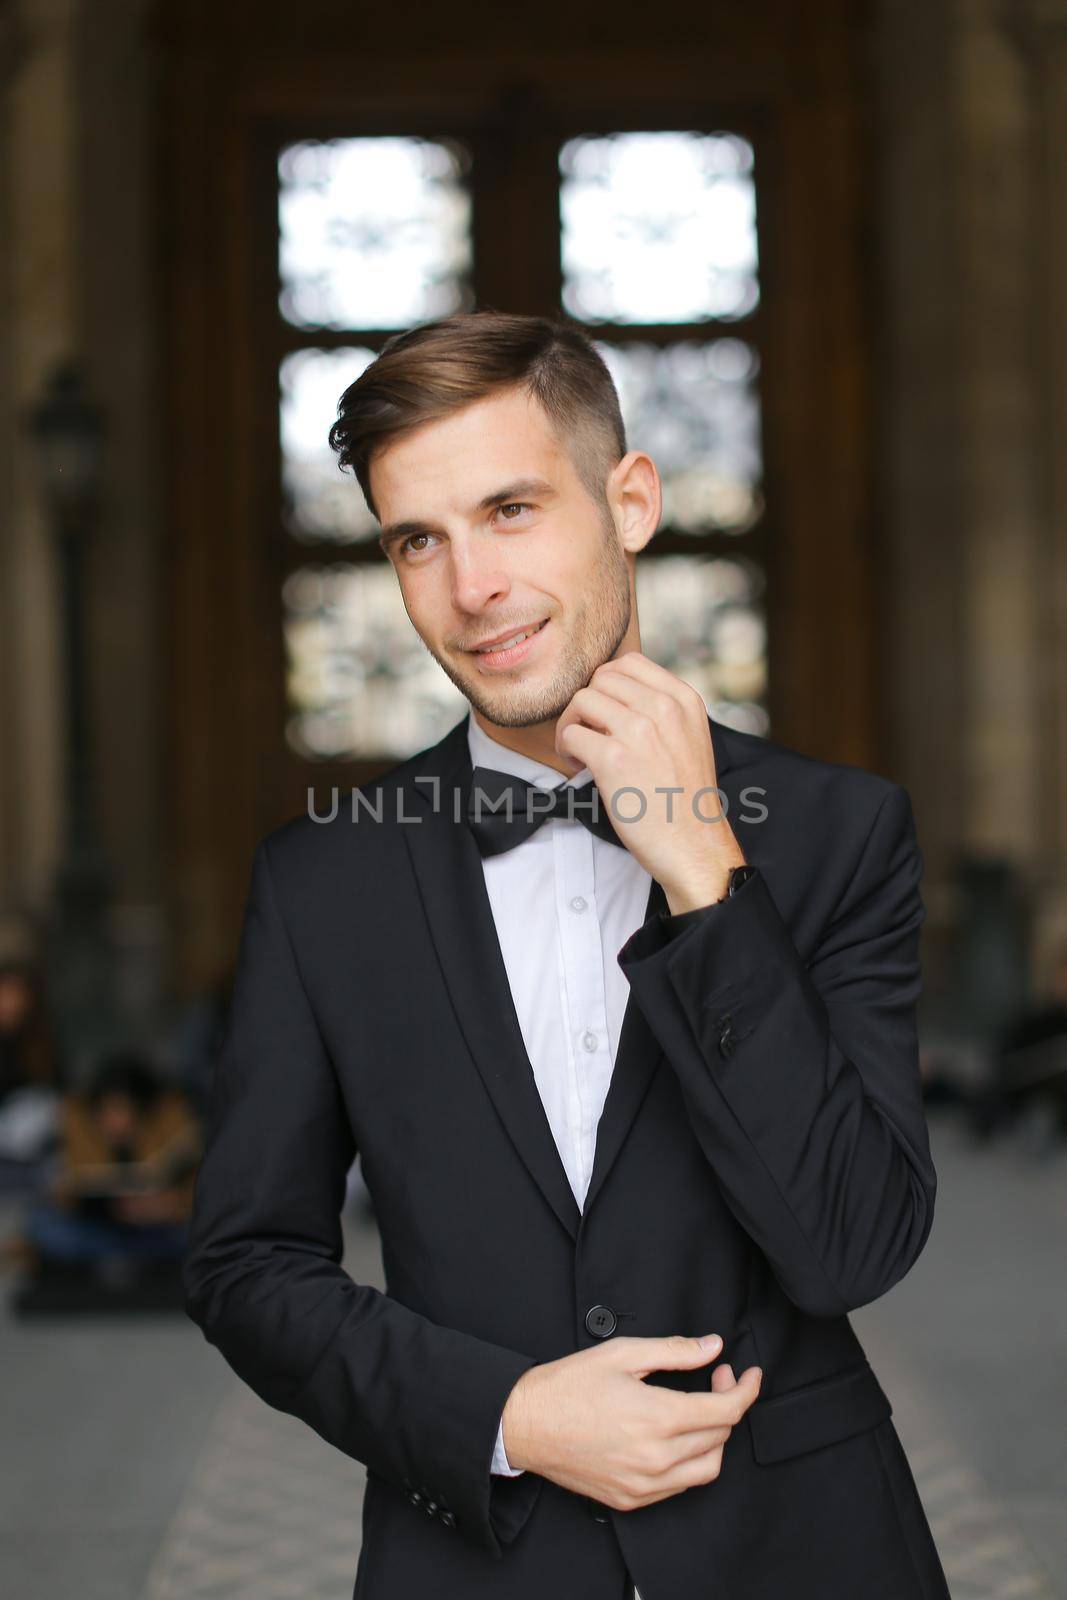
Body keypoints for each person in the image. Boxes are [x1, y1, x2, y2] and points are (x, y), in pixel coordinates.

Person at [183, 310, 950, 1599]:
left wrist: (709, 879)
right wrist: (508, 1414)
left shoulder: (840, 834)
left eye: (513, 510)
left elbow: (854, 1247)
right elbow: (246, 1264)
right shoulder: (322, 883)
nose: (470, 585)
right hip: (475, 1559)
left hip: (807, 1550)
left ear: (631, 500)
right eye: (418, 540)